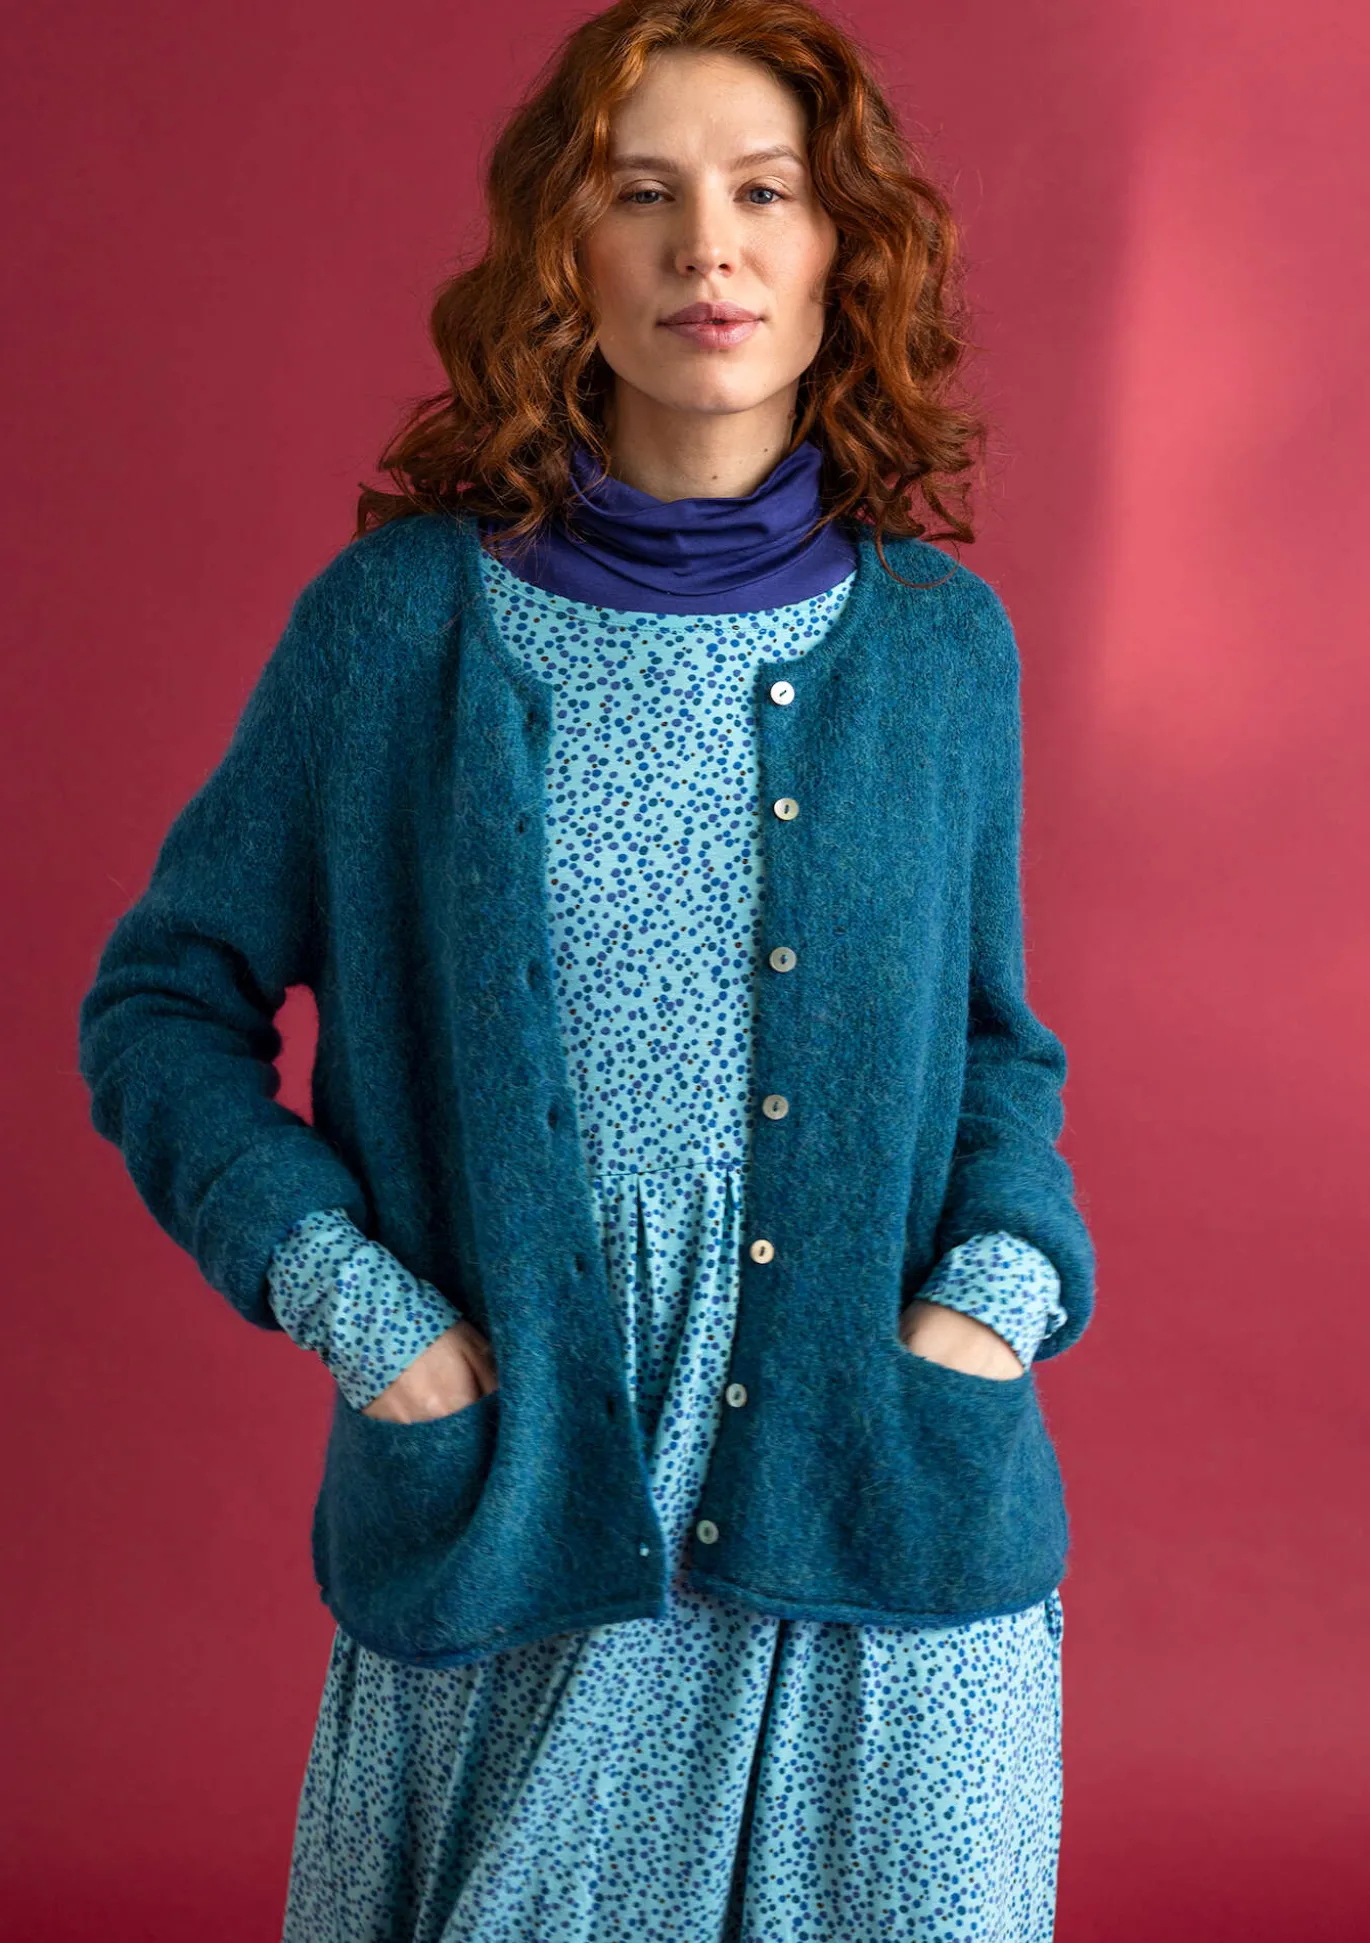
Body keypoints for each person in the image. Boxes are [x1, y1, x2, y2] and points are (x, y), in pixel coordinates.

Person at [77, 1, 1096, 1937]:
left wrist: (994, 1300)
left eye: (765, 193)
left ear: (839, 250)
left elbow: (992, 1053)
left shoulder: (937, 646)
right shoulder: (397, 631)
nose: (708, 246)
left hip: (885, 1503)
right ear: (566, 248)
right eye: (643, 194)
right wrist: (358, 1310)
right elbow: (161, 1004)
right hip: (528, 1504)